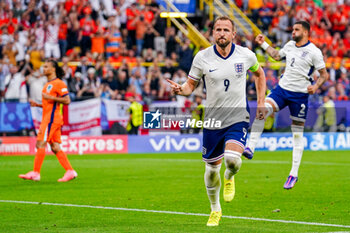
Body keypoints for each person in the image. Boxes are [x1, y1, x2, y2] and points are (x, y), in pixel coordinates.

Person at [167, 16, 266, 226]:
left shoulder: (246, 55)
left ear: (233, 34)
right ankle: (215, 210)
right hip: (212, 120)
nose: (221, 33)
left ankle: (230, 176)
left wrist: (260, 101)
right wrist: (180, 90)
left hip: (238, 116)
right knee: (211, 170)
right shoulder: (202, 57)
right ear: (213, 33)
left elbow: (260, 74)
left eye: (225, 30)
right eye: (218, 29)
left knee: (232, 160)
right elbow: (190, 86)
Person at [243, 21, 329, 190]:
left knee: (297, 135)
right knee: (262, 111)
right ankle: (250, 147)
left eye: (296, 29)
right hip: (281, 90)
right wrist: (264, 43)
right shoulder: (289, 45)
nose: (293, 32)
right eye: (293, 29)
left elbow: (324, 75)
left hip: (300, 96)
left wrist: (316, 86)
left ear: (305, 32)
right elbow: (276, 55)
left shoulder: (314, 52)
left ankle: (293, 174)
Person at [19, 60, 78, 182]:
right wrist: (38, 105)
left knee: (40, 143)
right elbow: (51, 104)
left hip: (51, 119)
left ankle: (36, 173)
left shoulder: (59, 83)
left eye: (46, 67)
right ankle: (70, 171)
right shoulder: (48, 84)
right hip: (51, 117)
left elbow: (67, 100)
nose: (43, 69)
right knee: (55, 147)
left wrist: (50, 97)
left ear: (53, 69)